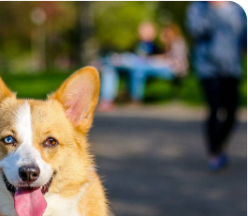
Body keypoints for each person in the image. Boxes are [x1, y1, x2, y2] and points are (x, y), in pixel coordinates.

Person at [187, 0, 245, 171]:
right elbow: (196, 30)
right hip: (208, 68)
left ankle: (220, 144)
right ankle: (214, 153)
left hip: (232, 67)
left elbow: (243, 33)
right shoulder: (199, 7)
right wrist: (214, 9)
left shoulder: (240, 6)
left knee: (232, 112)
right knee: (215, 108)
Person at [98, 21, 188, 111]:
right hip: (142, 65)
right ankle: (108, 99)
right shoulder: (138, 44)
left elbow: (172, 60)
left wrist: (154, 59)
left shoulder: (175, 42)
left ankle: (132, 97)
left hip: (173, 70)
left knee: (138, 68)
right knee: (110, 68)